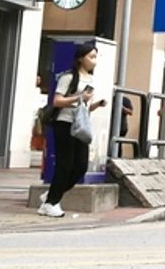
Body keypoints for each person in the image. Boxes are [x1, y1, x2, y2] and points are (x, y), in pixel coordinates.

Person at [38, 40, 106, 218]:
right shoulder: (68, 77)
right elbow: (57, 101)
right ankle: (51, 203)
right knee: (64, 165)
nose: (94, 60)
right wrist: (79, 97)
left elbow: (83, 108)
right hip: (64, 124)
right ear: (80, 59)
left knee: (80, 166)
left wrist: (96, 104)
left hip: (80, 126)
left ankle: (52, 195)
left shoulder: (91, 79)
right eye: (91, 56)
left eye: (95, 56)